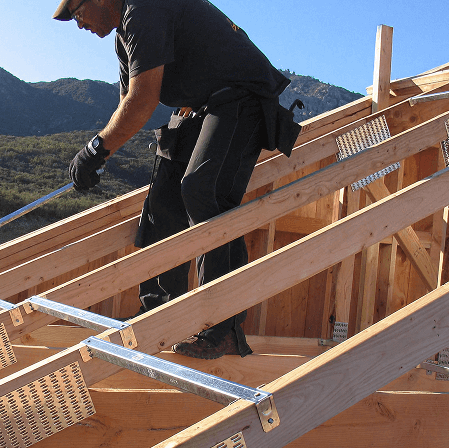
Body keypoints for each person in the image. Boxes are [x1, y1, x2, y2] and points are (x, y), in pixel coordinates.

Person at [54, 0, 300, 359]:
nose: (79, 25)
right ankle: (158, 312)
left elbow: (142, 99)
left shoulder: (143, 10)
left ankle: (225, 328)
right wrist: (98, 155)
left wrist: (95, 149)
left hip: (241, 95)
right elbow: (129, 103)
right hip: (202, 105)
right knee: (162, 198)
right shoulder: (124, 35)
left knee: (203, 190)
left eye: (78, 14)